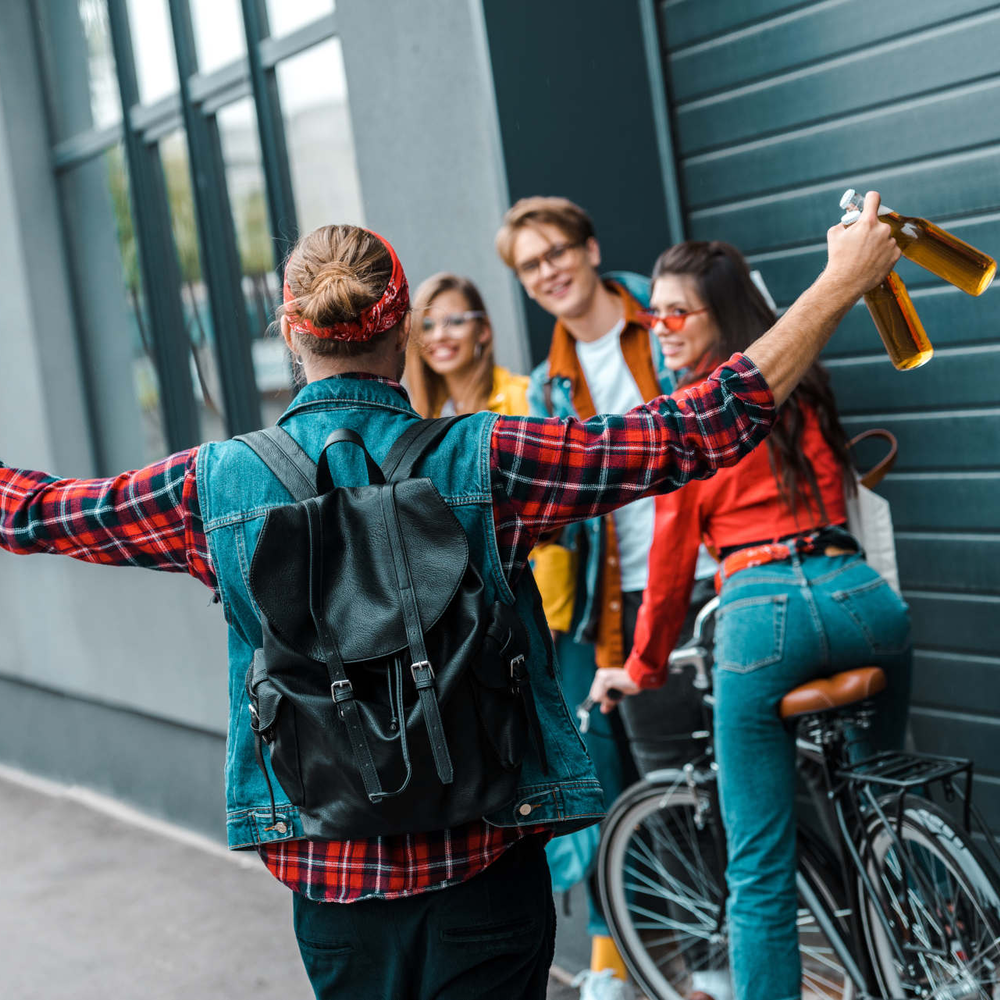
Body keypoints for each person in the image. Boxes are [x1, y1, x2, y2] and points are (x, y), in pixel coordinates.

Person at [0, 201, 899, 1000]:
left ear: (290, 328)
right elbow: (695, 430)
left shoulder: (214, 487)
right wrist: (839, 281)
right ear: (402, 338)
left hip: (331, 877)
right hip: (485, 862)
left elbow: (39, 512)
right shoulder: (487, 457)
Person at [587, 239, 913, 1000]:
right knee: (884, 797)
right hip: (864, 599)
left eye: (677, 313)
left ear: (721, 319)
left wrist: (638, 669)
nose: (659, 327)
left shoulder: (694, 422)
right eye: (652, 313)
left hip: (760, 613)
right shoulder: (806, 388)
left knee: (758, 867)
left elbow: (668, 572)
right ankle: (928, 933)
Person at [495, 195, 699, 995]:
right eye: (531, 265)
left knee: (719, 767)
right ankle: (672, 953)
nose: (549, 273)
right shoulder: (551, 389)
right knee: (647, 782)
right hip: (619, 601)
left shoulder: (664, 320)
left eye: (557, 253)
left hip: (711, 574)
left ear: (590, 245)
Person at [407, 271, 575, 633]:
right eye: (428, 324)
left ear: (482, 330)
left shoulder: (525, 397)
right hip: (459, 610)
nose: (439, 335)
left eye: (454, 321)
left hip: (538, 593)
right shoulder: (416, 420)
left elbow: (552, 507)